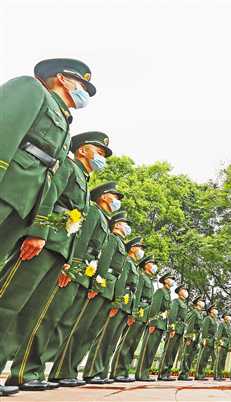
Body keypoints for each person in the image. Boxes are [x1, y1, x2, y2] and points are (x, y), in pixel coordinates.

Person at [0, 57, 96, 398]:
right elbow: (4, 132)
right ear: (60, 78)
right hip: (6, 190)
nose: (84, 91)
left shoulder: (63, 122)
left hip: (22, 205)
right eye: (81, 84)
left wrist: (36, 223)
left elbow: (49, 178)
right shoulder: (31, 90)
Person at [2, 132, 110, 391]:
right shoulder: (68, 166)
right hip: (43, 242)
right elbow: (50, 196)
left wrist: (69, 262)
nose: (102, 158)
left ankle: (24, 375)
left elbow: (78, 229)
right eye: (100, 152)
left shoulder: (84, 183)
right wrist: (38, 231)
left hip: (60, 249)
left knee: (32, 314)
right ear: (83, 150)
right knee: (9, 301)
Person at [48, 183, 124, 386]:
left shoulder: (103, 220)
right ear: (104, 197)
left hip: (87, 277)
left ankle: (66, 371)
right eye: (114, 196)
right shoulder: (92, 212)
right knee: (63, 322)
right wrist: (71, 267)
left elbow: (99, 257)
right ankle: (56, 371)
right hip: (78, 273)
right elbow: (82, 241)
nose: (117, 200)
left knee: (76, 326)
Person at [83, 211, 132, 384]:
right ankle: (86, 372)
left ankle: (95, 372)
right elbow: (104, 262)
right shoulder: (112, 239)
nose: (128, 227)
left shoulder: (119, 243)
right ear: (118, 224)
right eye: (125, 223)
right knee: (86, 329)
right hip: (103, 287)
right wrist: (97, 284)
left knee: (94, 332)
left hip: (110, 291)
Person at [112, 256, 157, 382]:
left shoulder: (150, 280)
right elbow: (136, 295)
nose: (154, 265)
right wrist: (134, 312)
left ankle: (124, 371)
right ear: (145, 265)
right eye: (151, 263)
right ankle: (117, 371)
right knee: (127, 342)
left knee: (133, 344)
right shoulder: (142, 277)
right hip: (138, 312)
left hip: (144, 314)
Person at [135, 273, 174, 381]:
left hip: (162, 325)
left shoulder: (168, 293)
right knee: (148, 349)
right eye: (170, 279)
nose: (172, 281)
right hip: (156, 323)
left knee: (152, 351)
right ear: (165, 280)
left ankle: (145, 373)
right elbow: (154, 307)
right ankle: (140, 374)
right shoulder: (160, 292)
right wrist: (152, 323)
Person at [157, 285, 189, 381]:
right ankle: (162, 373)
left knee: (173, 352)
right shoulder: (176, 302)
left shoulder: (184, 304)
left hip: (180, 330)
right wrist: (172, 328)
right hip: (174, 329)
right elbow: (172, 315)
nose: (185, 291)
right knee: (168, 351)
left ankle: (167, 373)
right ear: (179, 292)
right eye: (184, 290)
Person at [179, 296, 205, 381]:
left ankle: (186, 373)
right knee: (186, 354)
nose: (203, 302)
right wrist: (188, 337)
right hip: (191, 335)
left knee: (191, 355)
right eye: (201, 301)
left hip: (196, 336)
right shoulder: (194, 312)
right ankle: (183, 374)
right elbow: (189, 325)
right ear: (197, 303)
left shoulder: (199, 313)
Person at [194, 306, 219, 381]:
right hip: (207, 339)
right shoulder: (207, 318)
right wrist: (204, 339)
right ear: (210, 311)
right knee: (203, 358)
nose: (216, 310)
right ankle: (199, 375)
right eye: (214, 309)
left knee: (209, 358)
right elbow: (204, 329)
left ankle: (203, 374)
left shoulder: (214, 319)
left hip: (212, 341)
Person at [214, 313, 231, 380]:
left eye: (229, 317)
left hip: (226, 344)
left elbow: (230, 337)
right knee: (219, 359)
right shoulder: (221, 324)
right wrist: (219, 344)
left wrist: (230, 345)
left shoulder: (229, 325)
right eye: (227, 316)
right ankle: (217, 375)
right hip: (222, 344)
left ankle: (220, 375)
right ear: (224, 317)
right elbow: (218, 335)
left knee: (223, 360)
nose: (229, 318)